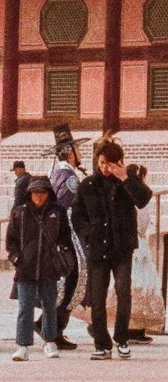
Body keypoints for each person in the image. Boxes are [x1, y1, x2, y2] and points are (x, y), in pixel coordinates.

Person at [73, 138, 153, 360]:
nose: (104, 168)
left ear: (119, 162)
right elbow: (77, 215)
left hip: (122, 248)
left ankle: (122, 339)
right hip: (97, 249)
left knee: (123, 291)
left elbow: (144, 199)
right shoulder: (88, 185)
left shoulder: (127, 182)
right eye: (101, 163)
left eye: (109, 163)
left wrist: (125, 177)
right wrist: (88, 235)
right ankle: (102, 344)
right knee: (98, 298)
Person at [8, 172, 69, 358]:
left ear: (49, 193)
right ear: (29, 193)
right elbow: (11, 241)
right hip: (25, 268)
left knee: (49, 305)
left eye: (43, 192)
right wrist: (16, 258)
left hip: (49, 268)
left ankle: (49, 341)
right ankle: (23, 345)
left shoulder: (58, 212)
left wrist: (61, 254)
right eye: (35, 192)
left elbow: (65, 237)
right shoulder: (20, 213)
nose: (39, 196)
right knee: (25, 307)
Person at [46, 136, 85, 348]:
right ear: (70, 153)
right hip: (68, 233)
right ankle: (53, 328)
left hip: (62, 232)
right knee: (73, 278)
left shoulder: (58, 173)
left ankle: (51, 326)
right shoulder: (69, 177)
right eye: (78, 150)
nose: (81, 154)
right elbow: (64, 206)